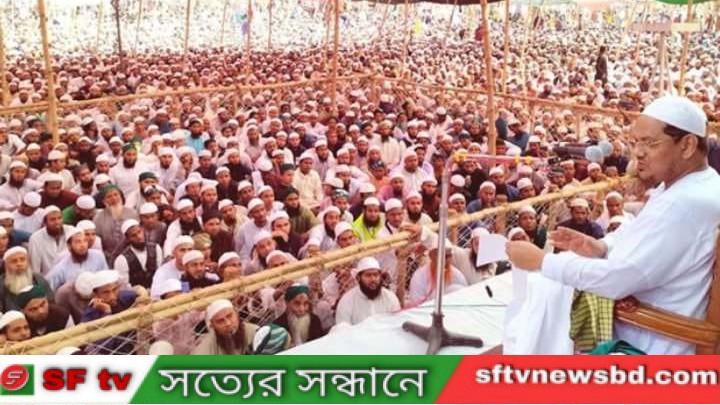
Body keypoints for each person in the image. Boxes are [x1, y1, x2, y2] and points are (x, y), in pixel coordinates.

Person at [506, 96, 720, 354]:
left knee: (541, 291)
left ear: (687, 145)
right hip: (643, 329)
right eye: (635, 142)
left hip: (648, 344)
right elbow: (640, 235)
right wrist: (601, 246)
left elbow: (620, 277)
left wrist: (542, 261)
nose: (638, 152)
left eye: (650, 143)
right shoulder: (695, 184)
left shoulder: (685, 203)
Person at [335, 257, 401, 326]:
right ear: (358, 278)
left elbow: (396, 324)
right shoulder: (347, 301)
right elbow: (342, 329)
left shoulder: (390, 297)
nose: (373, 279)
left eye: (376, 275)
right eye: (368, 275)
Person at [192, 299, 259, 355]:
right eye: (220, 321)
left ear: (236, 313)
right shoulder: (206, 347)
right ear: (212, 326)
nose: (228, 323)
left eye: (229, 316)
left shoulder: (255, 332)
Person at [0, 247, 53, 312]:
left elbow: (51, 303)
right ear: (6, 265)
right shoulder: (1, 284)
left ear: (28, 262)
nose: (19, 264)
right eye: (14, 261)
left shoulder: (38, 279)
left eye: (22, 260)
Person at [113, 219, 163, 289]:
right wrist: (137, 290)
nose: (139, 237)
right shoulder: (121, 260)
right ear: (127, 239)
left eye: (139, 232)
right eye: (134, 235)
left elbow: (160, 273)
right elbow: (123, 286)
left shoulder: (156, 248)